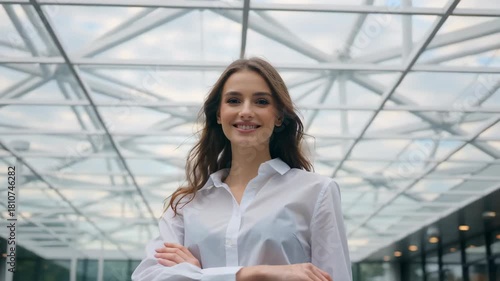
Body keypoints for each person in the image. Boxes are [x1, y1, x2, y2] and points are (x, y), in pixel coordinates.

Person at [132, 58, 352, 281]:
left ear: (278, 116)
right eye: (234, 100)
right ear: (219, 114)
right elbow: (148, 276)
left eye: (261, 102)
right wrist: (255, 273)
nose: (246, 111)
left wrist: (197, 275)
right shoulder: (186, 205)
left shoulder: (317, 192)